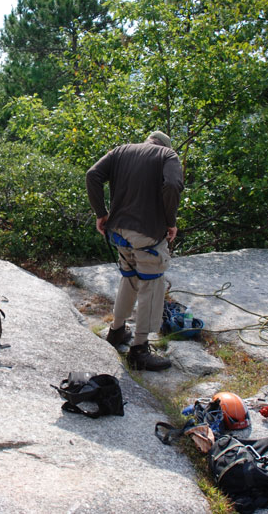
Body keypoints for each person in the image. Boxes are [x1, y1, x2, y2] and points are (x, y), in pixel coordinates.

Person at [85, 131, 184, 371]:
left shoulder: (121, 151)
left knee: (129, 279)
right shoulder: (168, 156)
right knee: (151, 285)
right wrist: (170, 220)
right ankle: (139, 350)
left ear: (148, 141)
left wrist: (101, 213)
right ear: (164, 145)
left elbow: (92, 175)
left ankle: (117, 331)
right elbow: (172, 185)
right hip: (148, 234)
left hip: (119, 230)